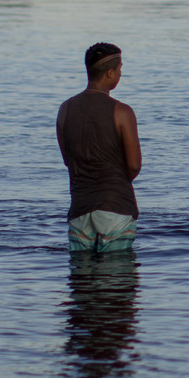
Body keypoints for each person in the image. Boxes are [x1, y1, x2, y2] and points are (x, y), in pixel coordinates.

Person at [57, 42, 142, 253]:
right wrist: (114, 182)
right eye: (120, 70)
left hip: (80, 209)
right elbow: (134, 166)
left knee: (82, 282)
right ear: (111, 73)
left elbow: (68, 160)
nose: (120, 75)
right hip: (116, 208)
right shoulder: (122, 112)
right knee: (117, 281)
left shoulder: (65, 110)